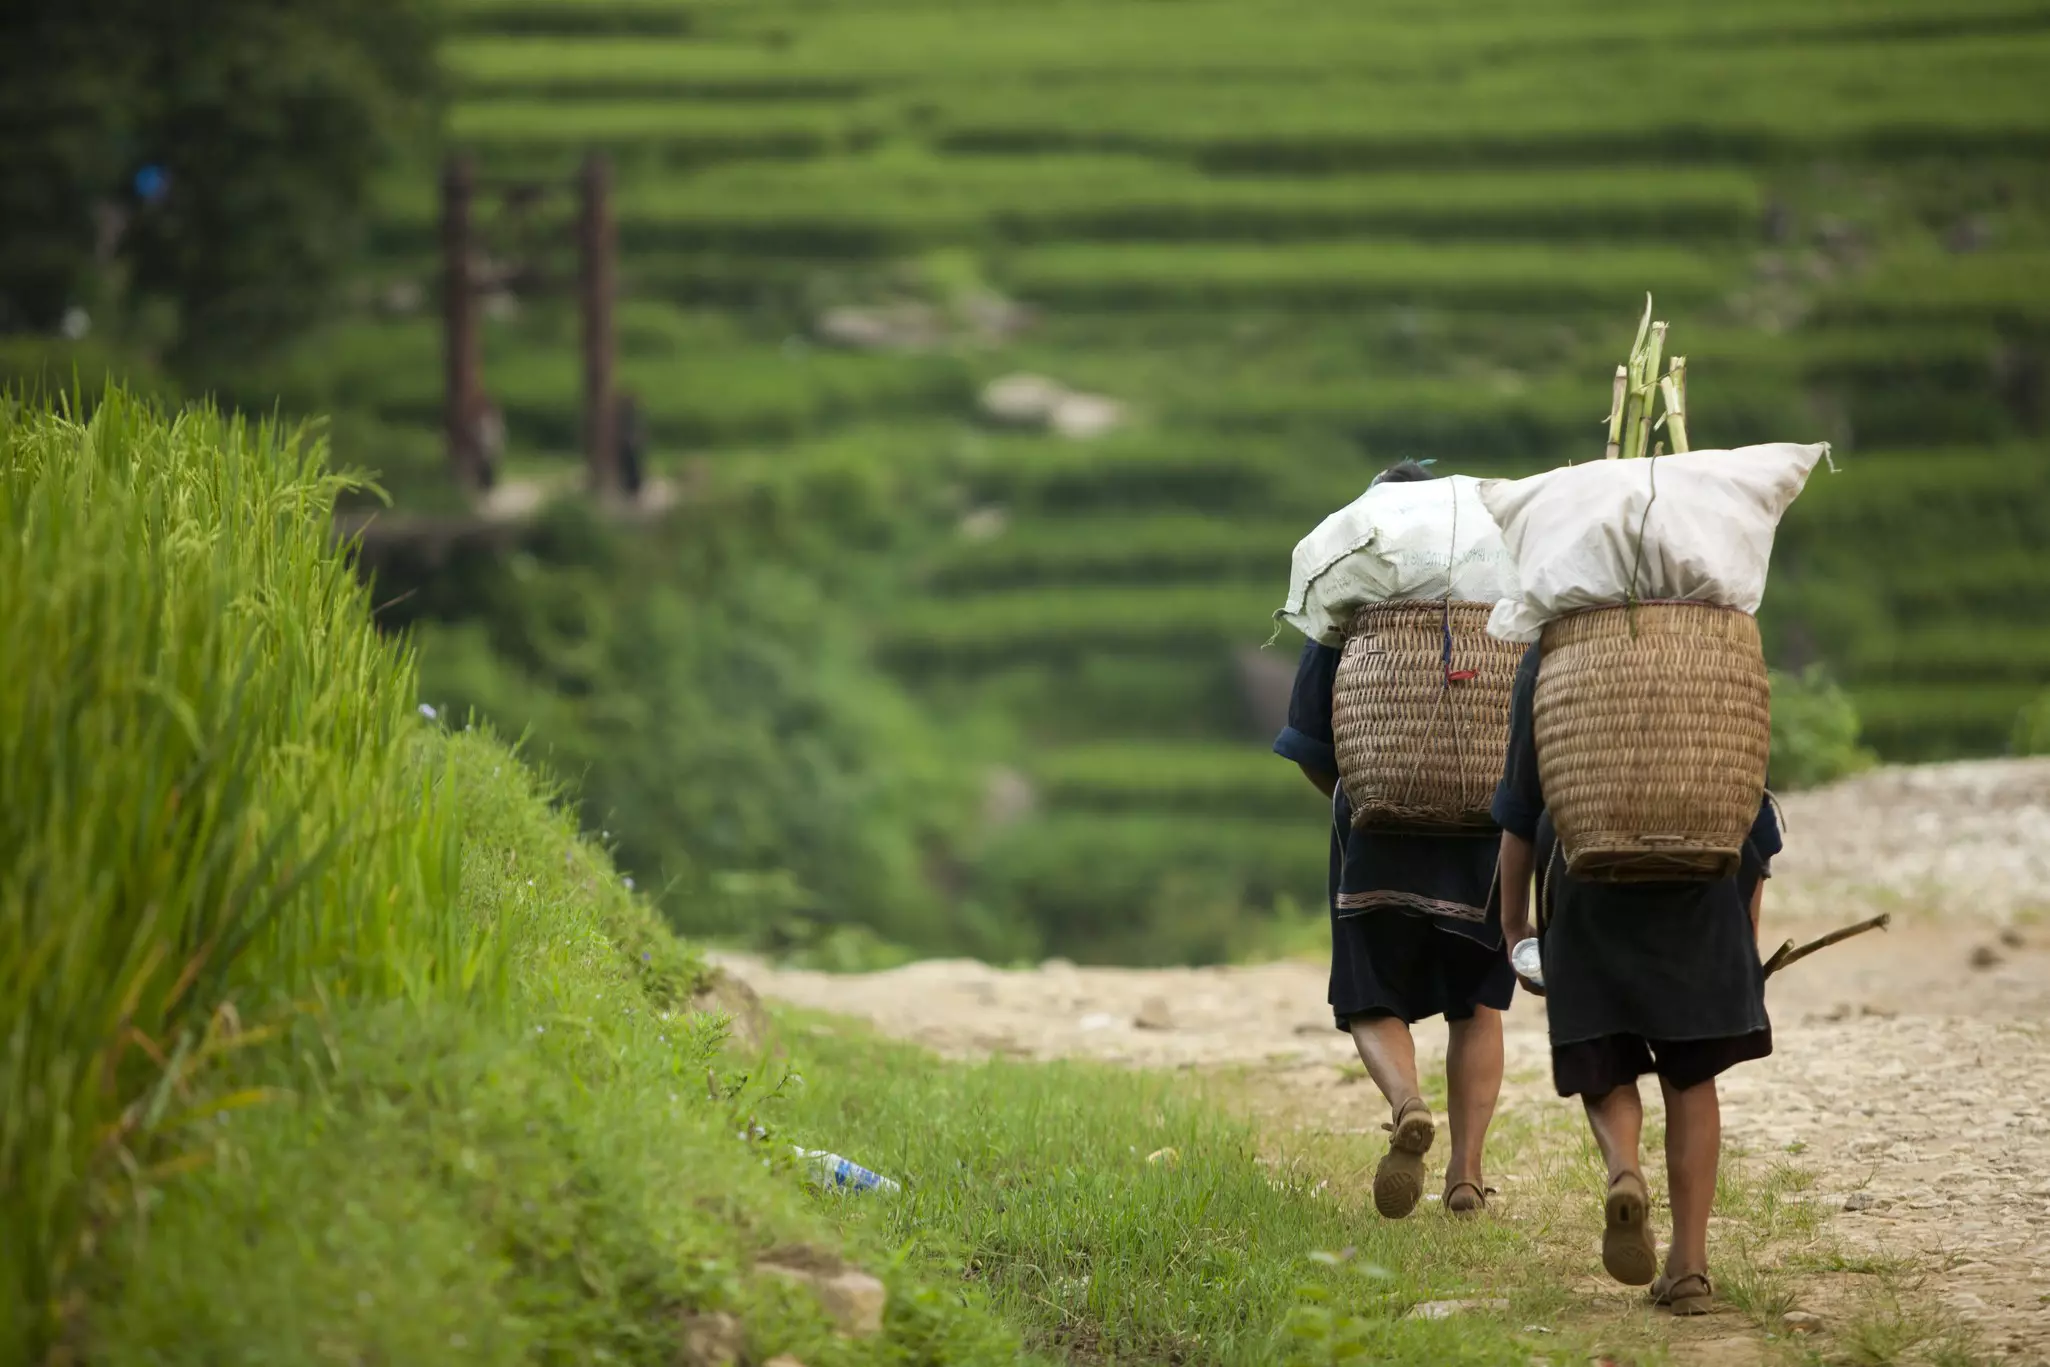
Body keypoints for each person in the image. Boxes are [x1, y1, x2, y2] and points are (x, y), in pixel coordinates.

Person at [1492, 639, 1781, 1316]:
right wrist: (1746, 929)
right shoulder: (1721, 641)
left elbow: (1519, 807)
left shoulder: (1555, 649)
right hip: (1703, 884)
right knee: (1690, 1072)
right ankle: (1688, 1266)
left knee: (1605, 1058)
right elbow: (1754, 813)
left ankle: (1624, 1167)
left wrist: (1513, 924)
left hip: (1588, 877)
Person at [1272, 459, 1515, 1221]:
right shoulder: (1502, 615)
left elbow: (1310, 743)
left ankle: (1407, 1103)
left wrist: (1361, 800)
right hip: (1480, 840)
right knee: (1476, 1005)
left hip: (1374, 842)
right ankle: (1467, 1175)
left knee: (1369, 995)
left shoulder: (1354, 615)